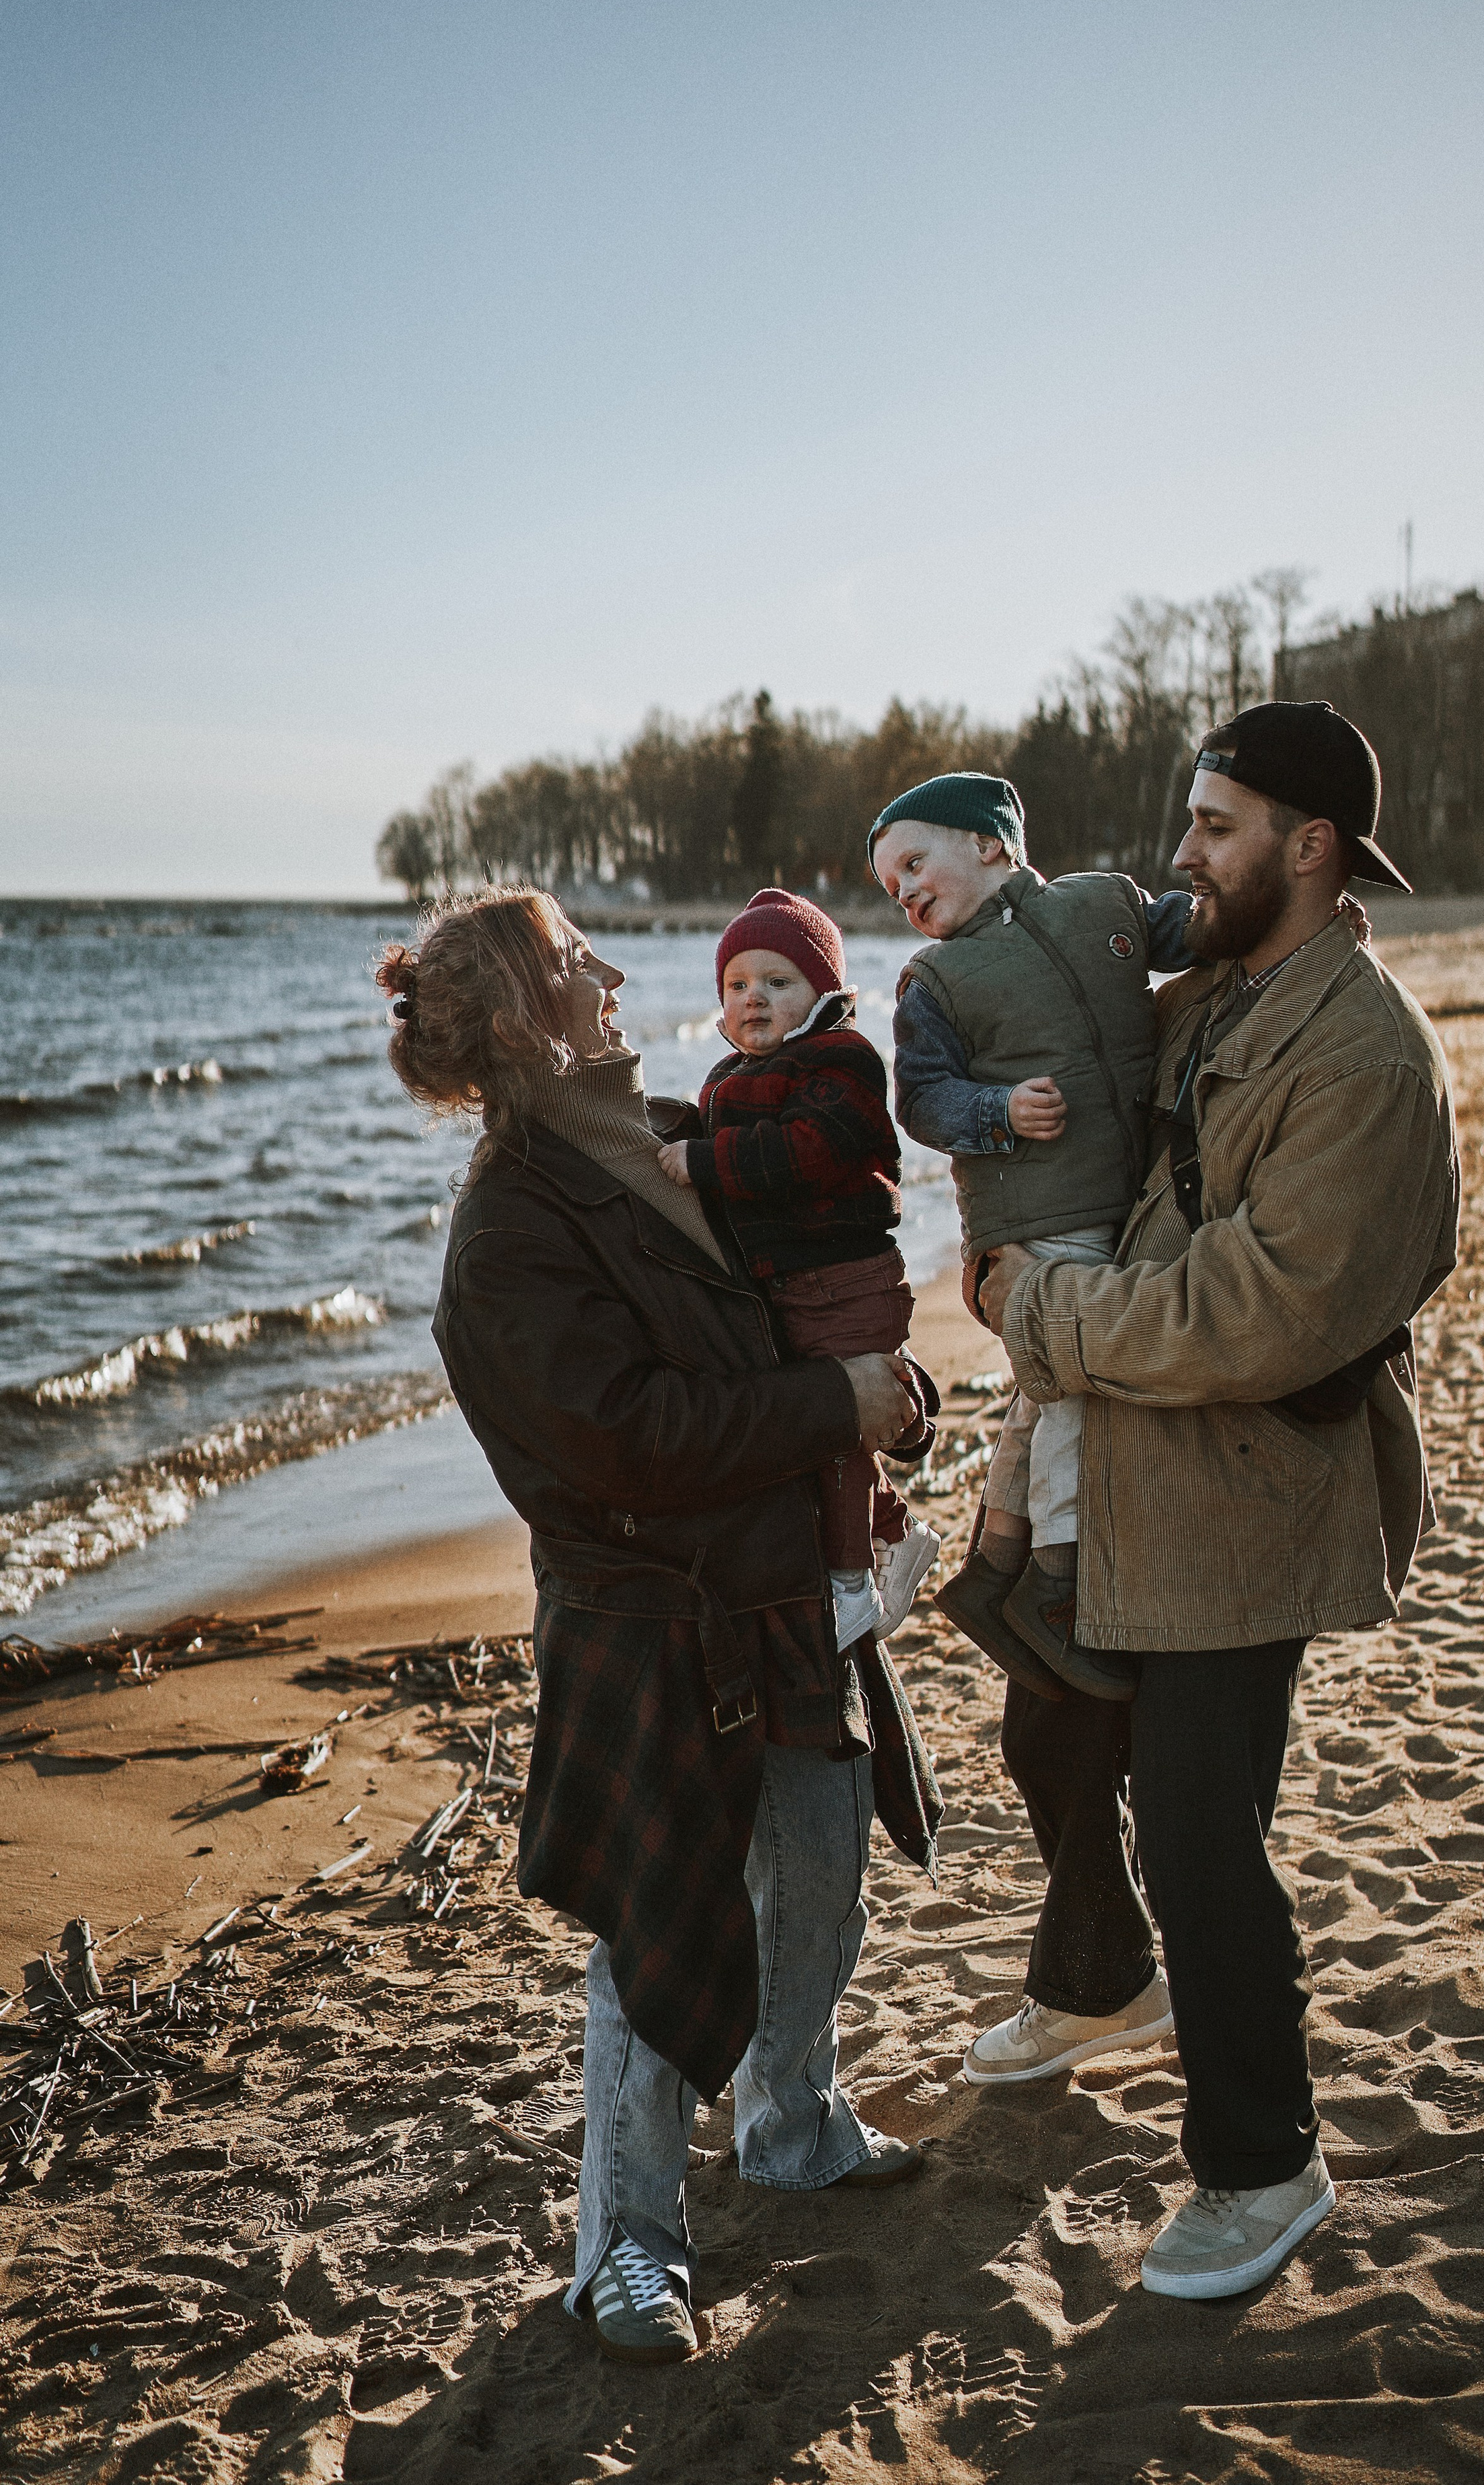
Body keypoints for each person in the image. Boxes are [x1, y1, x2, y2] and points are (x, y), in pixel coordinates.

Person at [378, 888, 942, 2367]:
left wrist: (883, 1405)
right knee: (653, 1932)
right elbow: (623, 1439)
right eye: (578, 962)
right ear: (518, 1016)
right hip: (649, 1626)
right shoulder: (504, 1232)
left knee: (819, 1877)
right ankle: (628, 2242)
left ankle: (793, 2125)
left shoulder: (685, 1130)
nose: (616, 972)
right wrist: (834, 1404)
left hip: (788, 1585)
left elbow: (808, 1282)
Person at [978, 700, 1460, 2301]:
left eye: (1210, 824)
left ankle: (1265, 2165)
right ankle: (1096, 1980)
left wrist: (1037, 1313)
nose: (1179, 853)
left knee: (1196, 1833)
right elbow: (1089, 1152)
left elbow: (1255, 1312)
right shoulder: (1200, 1000)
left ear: (1305, 844)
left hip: (1248, 1494)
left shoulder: (1366, 1052)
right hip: (1120, 1463)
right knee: (1048, 1727)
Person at [869, 772, 1194, 1698]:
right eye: (891, 888)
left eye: (914, 863)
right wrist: (1001, 1110)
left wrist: (1308, 913)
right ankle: (1059, 1587)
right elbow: (922, 1100)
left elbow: (1195, 930)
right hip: (1033, 1218)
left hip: (1113, 1202)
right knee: (1081, 1391)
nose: (904, 892)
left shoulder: (1106, 906)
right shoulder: (935, 978)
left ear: (989, 843)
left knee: (1045, 1392)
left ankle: (995, 1566)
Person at [657, 886, 942, 1642]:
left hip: (848, 1278)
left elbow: (808, 1152)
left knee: (838, 1424)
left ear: (825, 994)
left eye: (778, 983)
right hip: (792, 1285)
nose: (754, 1000)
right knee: (825, 1423)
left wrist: (705, 1160)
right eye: (737, 985)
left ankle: (850, 1584)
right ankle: (895, 1534)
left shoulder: (841, 1060)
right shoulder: (728, 1075)